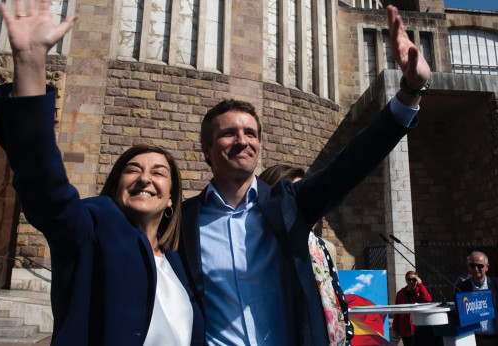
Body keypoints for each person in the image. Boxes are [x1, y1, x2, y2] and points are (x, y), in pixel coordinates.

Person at [178, 5, 431, 345]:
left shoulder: (289, 205)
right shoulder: (182, 222)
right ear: (206, 148)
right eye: (229, 133)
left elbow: (351, 163)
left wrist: (410, 93)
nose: (242, 141)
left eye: (251, 133)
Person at [0, 0, 204, 344]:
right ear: (116, 186)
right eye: (133, 169)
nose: (145, 177)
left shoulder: (179, 263)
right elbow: (44, 184)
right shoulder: (90, 228)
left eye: (159, 172)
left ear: (172, 197)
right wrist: (30, 61)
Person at [258, 164, 353, 345]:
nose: (309, 206)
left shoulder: (324, 248)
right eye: (298, 200)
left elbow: (340, 306)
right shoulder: (259, 250)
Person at [455, 251, 498, 346]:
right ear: (468, 267)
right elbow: (458, 315)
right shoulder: (461, 288)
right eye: (472, 265)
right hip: (474, 340)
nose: (476, 269)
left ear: (487, 267)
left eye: (480, 266)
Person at [392, 271, 432, 346]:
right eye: (409, 279)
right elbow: (397, 312)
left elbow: (427, 299)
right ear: (406, 280)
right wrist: (395, 328)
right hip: (405, 329)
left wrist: (420, 284)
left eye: (413, 279)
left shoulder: (420, 291)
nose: (411, 282)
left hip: (417, 329)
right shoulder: (400, 293)